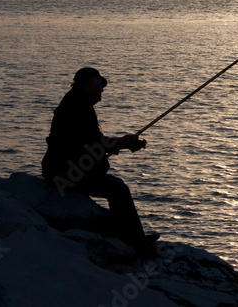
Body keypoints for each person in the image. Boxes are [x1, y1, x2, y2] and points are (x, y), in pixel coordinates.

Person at [41, 67, 158, 250]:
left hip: (65, 169)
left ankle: (127, 235)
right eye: (99, 84)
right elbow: (95, 143)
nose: (102, 89)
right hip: (64, 174)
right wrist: (123, 142)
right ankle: (135, 242)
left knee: (116, 185)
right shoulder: (78, 105)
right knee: (118, 189)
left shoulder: (76, 102)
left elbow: (89, 143)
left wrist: (122, 144)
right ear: (89, 83)